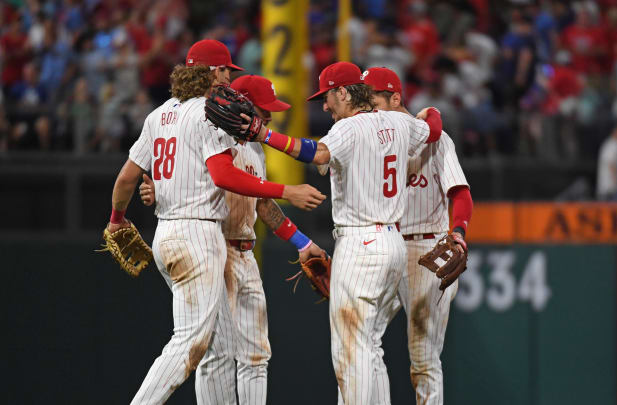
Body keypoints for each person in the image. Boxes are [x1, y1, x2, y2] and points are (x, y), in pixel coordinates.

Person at [105, 39, 324, 404]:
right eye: (224, 70)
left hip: (169, 231)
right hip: (198, 235)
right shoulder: (209, 112)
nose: (227, 78)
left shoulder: (159, 114)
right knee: (190, 340)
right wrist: (288, 190)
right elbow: (222, 176)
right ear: (211, 72)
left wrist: (116, 220)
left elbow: (128, 176)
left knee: (218, 348)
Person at [240, 61, 443, 404]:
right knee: (370, 344)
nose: (324, 105)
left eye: (328, 96)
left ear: (345, 93)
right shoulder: (398, 121)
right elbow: (434, 129)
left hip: (361, 242)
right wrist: (431, 111)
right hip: (394, 241)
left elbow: (315, 152)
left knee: (351, 350)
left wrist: (264, 135)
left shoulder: (348, 130)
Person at [364, 67, 472, 405]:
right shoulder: (373, 139)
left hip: (428, 247)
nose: (369, 109)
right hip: (388, 245)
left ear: (395, 98)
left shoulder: (436, 139)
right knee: (360, 338)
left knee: (423, 359)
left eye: (374, 101)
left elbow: (461, 194)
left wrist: (458, 232)